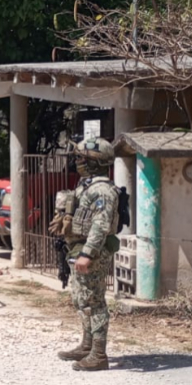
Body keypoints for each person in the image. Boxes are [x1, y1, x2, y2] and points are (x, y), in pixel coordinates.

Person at [50, 137, 121, 372]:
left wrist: (88, 254)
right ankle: (87, 345)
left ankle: (99, 354)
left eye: (81, 158)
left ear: (94, 162)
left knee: (94, 301)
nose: (77, 162)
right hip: (78, 247)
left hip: (92, 251)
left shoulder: (102, 190)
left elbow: (101, 225)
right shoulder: (87, 185)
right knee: (82, 299)